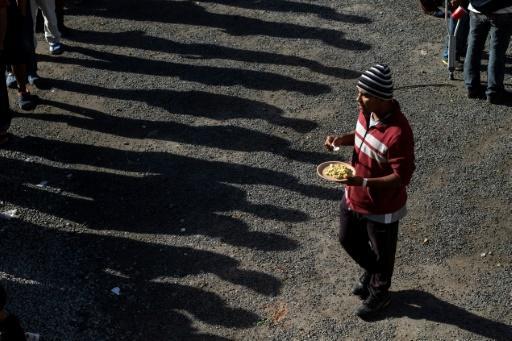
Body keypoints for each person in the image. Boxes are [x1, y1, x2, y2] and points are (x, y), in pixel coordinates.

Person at [324, 64, 415, 318]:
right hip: (353, 195)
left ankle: (380, 294)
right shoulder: (367, 113)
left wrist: (364, 182)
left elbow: (401, 177)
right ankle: (372, 272)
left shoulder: (398, 134)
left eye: (363, 94)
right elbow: (361, 134)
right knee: (347, 238)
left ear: (380, 97)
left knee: (383, 254)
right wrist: (341, 139)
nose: (357, 99)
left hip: (381, 207)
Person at [464, 0, 512, 104]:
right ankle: (493, 92)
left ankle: (471, 87)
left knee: (473, 47)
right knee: (497, 51)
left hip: (476, 8)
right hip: (502, 10)